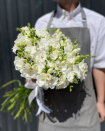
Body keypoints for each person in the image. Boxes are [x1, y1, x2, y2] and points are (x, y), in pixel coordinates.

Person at [27, 0, 105, 130]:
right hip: (51, 115)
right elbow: (34, 66)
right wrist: (31, 74)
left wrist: (100, 102)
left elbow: (99, 64)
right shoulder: (42, 23)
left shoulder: (98, 22)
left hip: (85, 112)